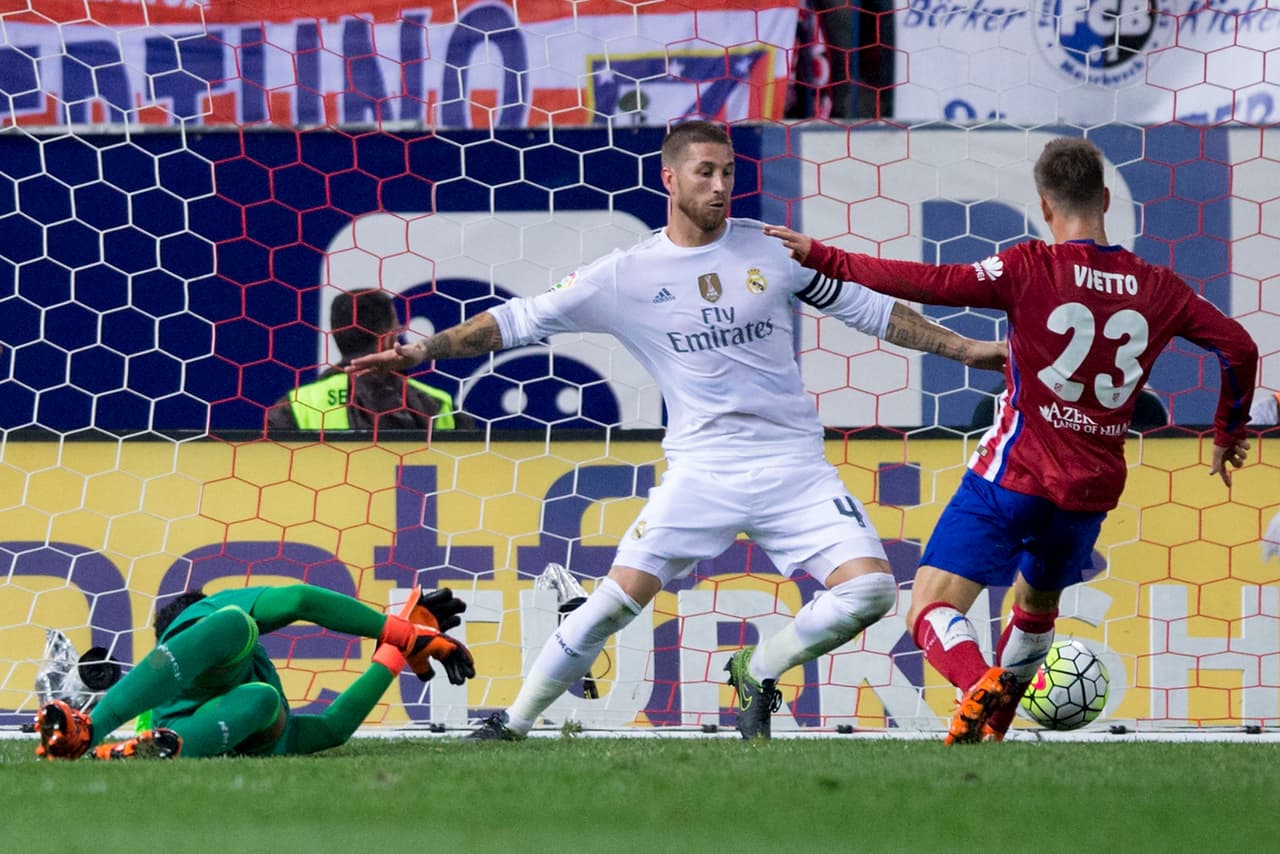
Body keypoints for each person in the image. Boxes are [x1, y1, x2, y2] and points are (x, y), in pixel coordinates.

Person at [349, 119, 1006, 740]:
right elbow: (519, 321)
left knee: (867, 593)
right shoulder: (626, 275)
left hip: (793, 468)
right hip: (702, 471)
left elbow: (870, 310)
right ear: (670, 179)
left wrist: (967, 350)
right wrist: (421, 353)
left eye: (726, 172)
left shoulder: (774, 250)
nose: (719, 186)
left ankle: (760, 668)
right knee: (611, 604)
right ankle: (512, 723)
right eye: (703, 173)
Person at [765, 136, 1258, 743]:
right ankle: (993, 731)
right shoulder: (1158, 286)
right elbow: (1240, 347)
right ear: (1106, 199)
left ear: (1045, 206)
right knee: (1036, 605)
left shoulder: (1030, 267)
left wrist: (826, 257)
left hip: (1013, 474)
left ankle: (975, 684)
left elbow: (929, 281)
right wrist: (1227, 430)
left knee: (930, 607)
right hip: (1089, 491)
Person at [35, 583, 474, 759]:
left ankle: (105, 739)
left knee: (261, 697)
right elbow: (301, 599)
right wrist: (402, 636)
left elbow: (332, 728)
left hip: (202, 727)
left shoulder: (251, 688)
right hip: (211, 718)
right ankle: (92, 731)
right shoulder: (219, 616)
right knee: (234, 625)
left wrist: (401, 645)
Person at [268, 288, 471, 433]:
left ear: (336, 334)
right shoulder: (435, 404)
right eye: (396, 326)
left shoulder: (296, 405)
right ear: (388, 338)